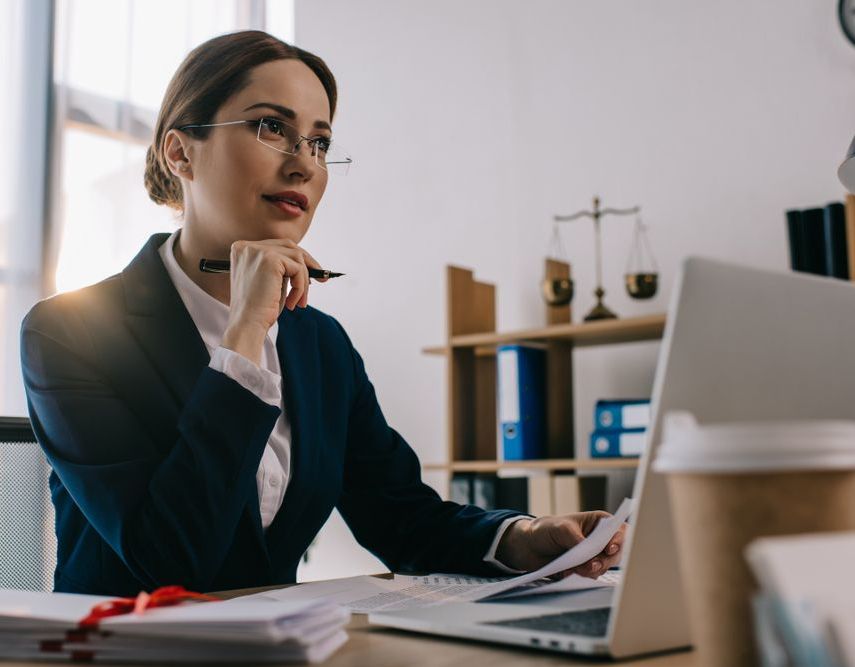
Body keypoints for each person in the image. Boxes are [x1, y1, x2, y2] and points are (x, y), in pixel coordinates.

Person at [20, 30, 624, 596]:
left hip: (276, 651)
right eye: (269, 127)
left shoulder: (320, 344)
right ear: (180, 151)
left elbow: (400, 517)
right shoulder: (69, 333)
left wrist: (521, 539)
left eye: (320, 142)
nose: (304, 164)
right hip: (121, 650)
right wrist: (246, 335)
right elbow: (169, 559)